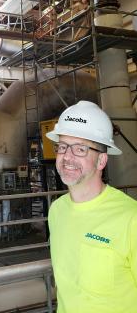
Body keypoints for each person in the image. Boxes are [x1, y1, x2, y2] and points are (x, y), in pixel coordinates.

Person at [46, 100, 137, 313]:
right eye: (62, 146)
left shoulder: (131, 219)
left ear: (101, 161)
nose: (67, 157)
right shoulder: (56, 211)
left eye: (80, 149)